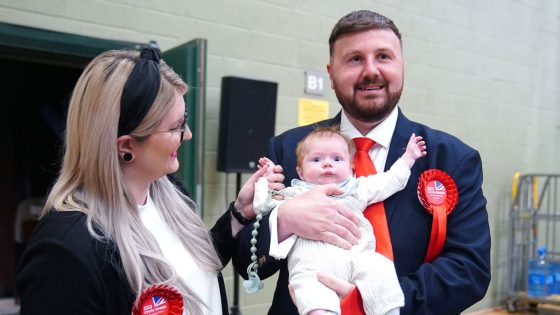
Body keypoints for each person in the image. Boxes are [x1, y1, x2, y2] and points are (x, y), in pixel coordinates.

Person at [232, 10, 491, 315]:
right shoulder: (289, 150)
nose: (371, 71)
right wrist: (284, 220)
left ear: (401, 66)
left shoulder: (452, 158)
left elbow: (469, 269)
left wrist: (376, 301)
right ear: (331, 73)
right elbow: (247, 264)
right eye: (354, 59)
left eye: (383, 56)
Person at [15, 48, 283, 315]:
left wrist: (238, 215)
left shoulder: (170, 193)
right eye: (176, 126)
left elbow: (193, 270)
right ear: (126, 145)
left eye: (185, 120)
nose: (187, 134)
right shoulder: (66, 250)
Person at [252, 127, 426, 315]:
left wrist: (408, 158)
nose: (327, 164)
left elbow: (390, 181)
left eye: (337, 159)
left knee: (381, 268)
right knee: (307, 286)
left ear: (352, 168)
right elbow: (262, 206)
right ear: (300, 172)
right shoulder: (294, 195)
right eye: (316, 159)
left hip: (358, 257)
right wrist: (265, 182)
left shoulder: (357, 188)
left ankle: (389, 311)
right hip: (312, 264)